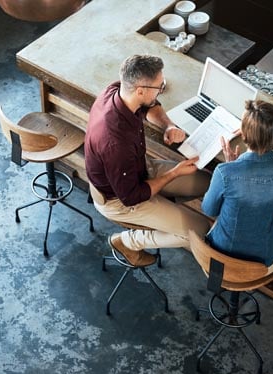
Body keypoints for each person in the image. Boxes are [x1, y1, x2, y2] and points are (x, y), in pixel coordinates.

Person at [84, 54, 211, 267]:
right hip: (120, 199)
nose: (161, 90)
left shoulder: (117, 91)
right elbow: (132, 196)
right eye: (158, 87)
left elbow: (150, 106)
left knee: (207, 182)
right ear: (140, 90)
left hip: (139, 169)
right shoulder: (116, 143)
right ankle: (127, 242)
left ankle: (165, 206)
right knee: (200, 230)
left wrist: (168, 126)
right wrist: (174, 174)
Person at [201, 100, 273, 267]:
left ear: (243, 135)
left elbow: (209, 210)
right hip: (263, 259)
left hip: (222, 255)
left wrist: (232, 166)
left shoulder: (224, 172)